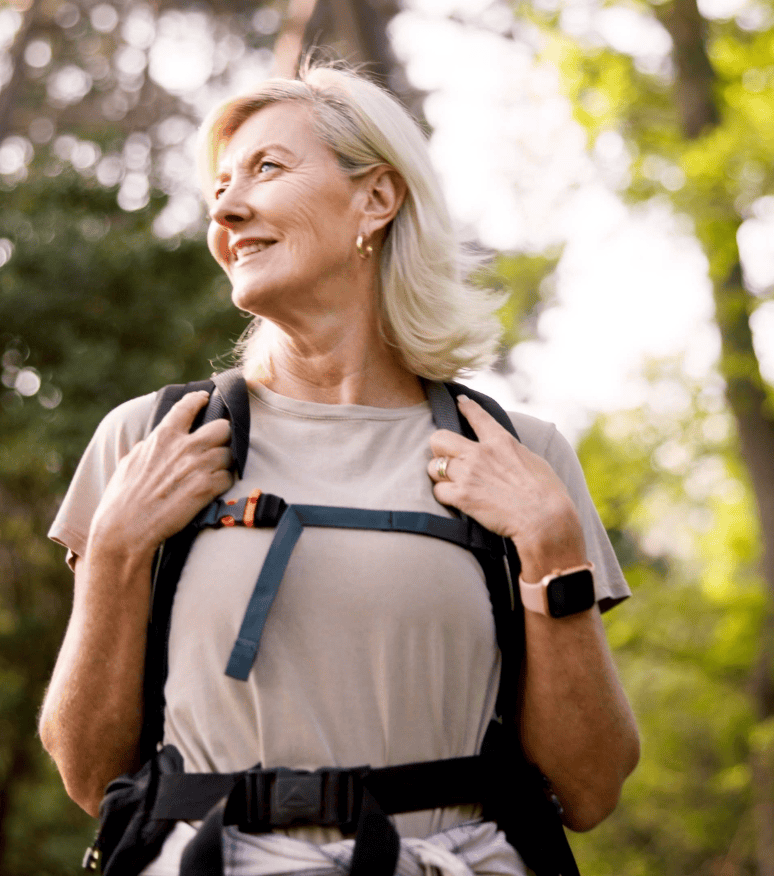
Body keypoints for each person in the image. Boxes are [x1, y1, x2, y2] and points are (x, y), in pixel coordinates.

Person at [38, 62, 639, 876]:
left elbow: (592, 788)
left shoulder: (517, 452)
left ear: (377, 200)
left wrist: (552, 544)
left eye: (267, 169)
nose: (225, 207)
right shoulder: (150, 440)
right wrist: (113, 551)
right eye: (220, 185)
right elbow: (87, 773)